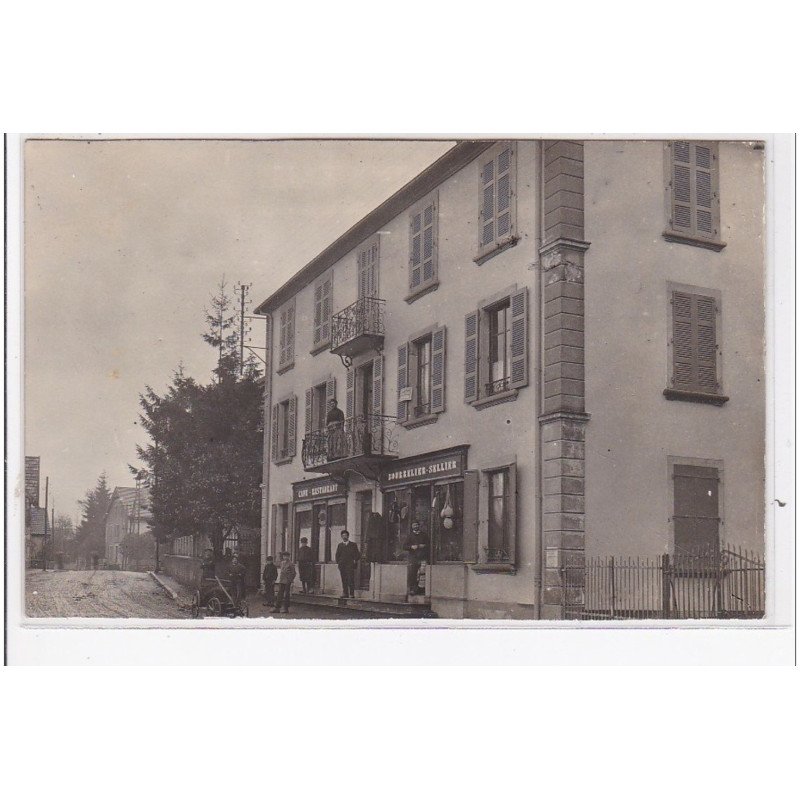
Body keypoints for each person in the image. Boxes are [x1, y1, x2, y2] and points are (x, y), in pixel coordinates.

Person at [405, 521, 429, 596]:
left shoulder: (424, 535)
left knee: (422, 574)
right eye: (414, 525)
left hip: (422, 557)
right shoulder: (410, 536)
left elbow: (429, 544)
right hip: (413, 557)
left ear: (419, 526)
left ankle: (421, 589)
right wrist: (411, 547)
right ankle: (413, 590)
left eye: (416, 525)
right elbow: (404, 546)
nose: (415, 526)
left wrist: (424, 546)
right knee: (413, 574)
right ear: (412, 527)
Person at [335, 530, 360, 598]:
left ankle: (351, 594)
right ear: (341, 537)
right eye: (343, 536)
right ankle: (345, 593)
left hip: (350, 565)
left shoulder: (353, 545)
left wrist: (354, 560)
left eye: (345, 535)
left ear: (348, 536)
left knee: (350, 579)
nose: (344, 537)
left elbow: (357, 554)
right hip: (342, 565)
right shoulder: (340, 545)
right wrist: (339, 562)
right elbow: (337, 555)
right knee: (344, 579)